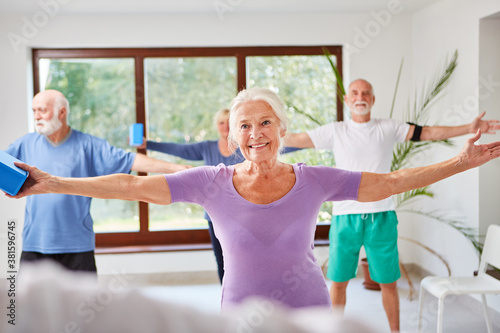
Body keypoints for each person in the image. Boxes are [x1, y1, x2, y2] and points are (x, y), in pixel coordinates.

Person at [6, 87, 500, 311]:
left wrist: (461, 161)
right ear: (234, 134)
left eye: (265, 122)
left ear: (283, 129)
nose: (255, 133)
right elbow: (132, 185)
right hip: (239, 313)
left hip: (308, 308)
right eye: (245, 125)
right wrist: (51, 182)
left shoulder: (316, 177)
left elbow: (388, 182)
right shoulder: (210, 181)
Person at [284, 79, 500, 331]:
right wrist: (259, 132)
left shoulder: (387, 127)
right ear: (347, 100)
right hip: (345, 218)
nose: (360, 96)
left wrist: (468, 128)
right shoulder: (335, 130)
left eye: (366, 93)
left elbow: (427, 133)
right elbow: (296, 139)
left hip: (382, 216)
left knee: (387, 283)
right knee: (339, 282)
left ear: (373, 99)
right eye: (354, 93)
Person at [3, 90, 189, 274]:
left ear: (62, 112)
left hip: (77, 246)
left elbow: (130, 160)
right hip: (35, 243)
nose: (36, 116)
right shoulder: (25, 144)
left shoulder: (88, 145)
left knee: (82, 303)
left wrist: (177, 169)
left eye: (42, 110)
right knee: (31, 304)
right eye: (34, 111)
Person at [141, 108, 300, 283]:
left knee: (248, 260)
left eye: (228, 122)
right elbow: (180, 149)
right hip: (214, 216)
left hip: (246, 215)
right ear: (217, 126)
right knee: (222, 260)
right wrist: (148, 144)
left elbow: (280, 144)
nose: (225, 127)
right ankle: (227, 300)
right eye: (221, 123)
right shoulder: (207, 147)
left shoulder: (249, 146)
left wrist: (314, 141)